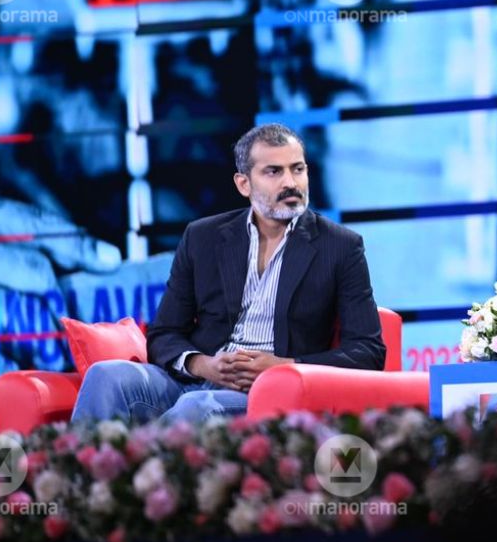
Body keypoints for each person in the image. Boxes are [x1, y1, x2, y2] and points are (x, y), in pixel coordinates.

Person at [71, 123, 385, 423]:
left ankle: (146, 477)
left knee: (196, 407)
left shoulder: (340, 246)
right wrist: (203, 365)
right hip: (197, 378)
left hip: (269, 392)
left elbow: (367, 351)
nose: (291, 182)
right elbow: (164, 334)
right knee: (106, 376)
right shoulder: (203, 237)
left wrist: (284, 368)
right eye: (273, 171)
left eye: (298, 169)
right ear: (243, 184)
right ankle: (80, 477)